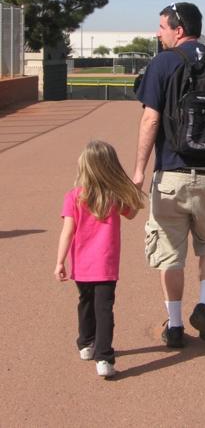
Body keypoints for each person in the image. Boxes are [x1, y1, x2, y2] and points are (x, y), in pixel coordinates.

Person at [133, 2, 205, 348]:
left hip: (172, 175)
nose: (158, 33)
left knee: (169, 251)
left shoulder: (162, 64)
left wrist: (139, 169)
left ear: (178, 30)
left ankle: (175, 324)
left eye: (162, 27)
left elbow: (151, 120)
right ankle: (204, 305)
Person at [54, 140, 145, 377]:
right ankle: (103, 356)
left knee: (85, 303)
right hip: (105, 265)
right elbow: (133, 213)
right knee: (104, 309)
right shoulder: (114, 197)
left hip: (81, 265)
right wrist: (135, 187)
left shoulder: (74, 196)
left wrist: (60, 261)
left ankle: (86, 343)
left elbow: (67, 231)